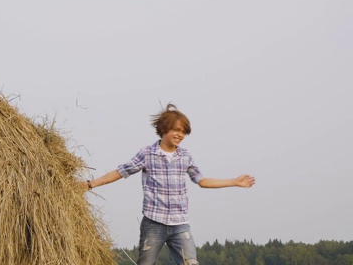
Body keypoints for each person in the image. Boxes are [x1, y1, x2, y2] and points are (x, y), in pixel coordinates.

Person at [83, 104, 255, 265]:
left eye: (184, 132)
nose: (181, 135)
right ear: (164, 129)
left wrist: (234, 182)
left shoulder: (185, 156)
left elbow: (202, 181)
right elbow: (120, 172)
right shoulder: (147, 154)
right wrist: (90, 184)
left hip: (180, 224)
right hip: (153, 223)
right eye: (177, 130)